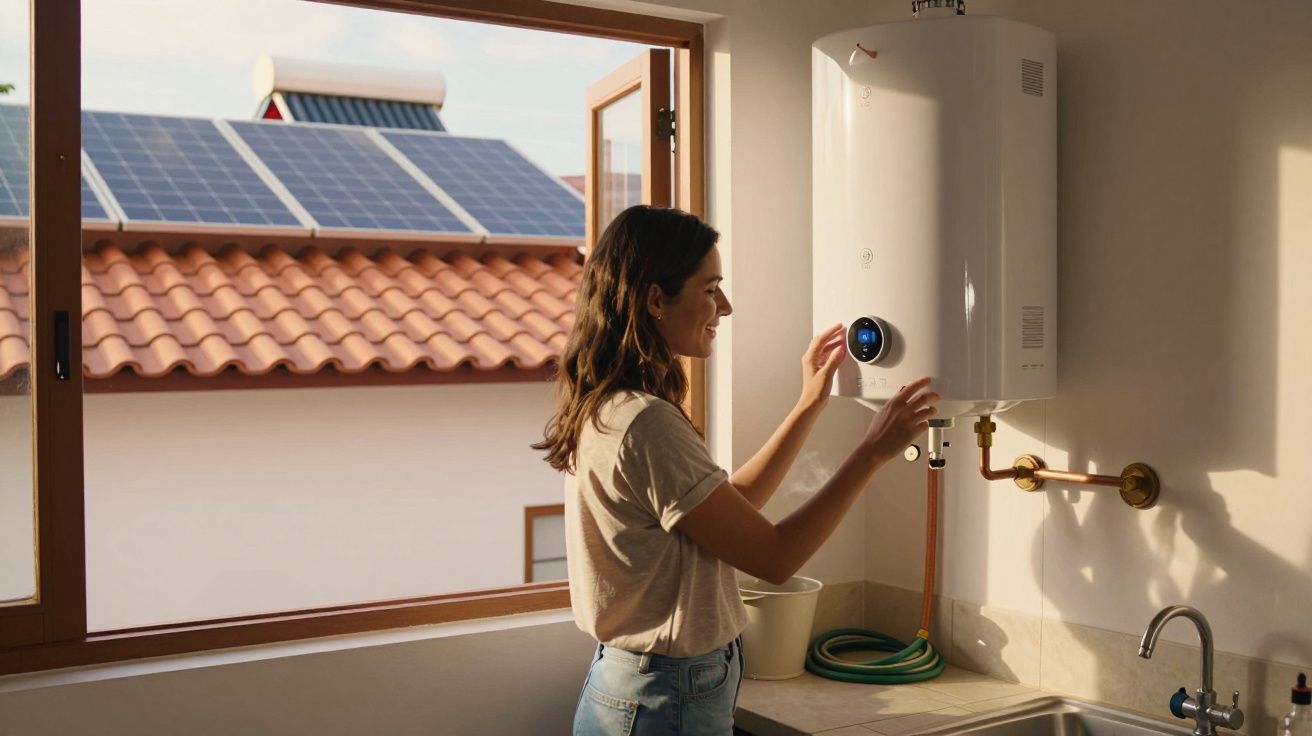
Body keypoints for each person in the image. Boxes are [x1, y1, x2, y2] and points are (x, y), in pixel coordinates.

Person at [534, 205, 938, 735]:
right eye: (710, 288)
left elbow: (731, 508)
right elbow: (774, 557)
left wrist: (807, 406)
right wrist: (871, 453)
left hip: (633, 690)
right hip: (666, 698)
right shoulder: (647, 424)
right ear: (656, 298)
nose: (724, 306)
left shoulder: (611, 408)